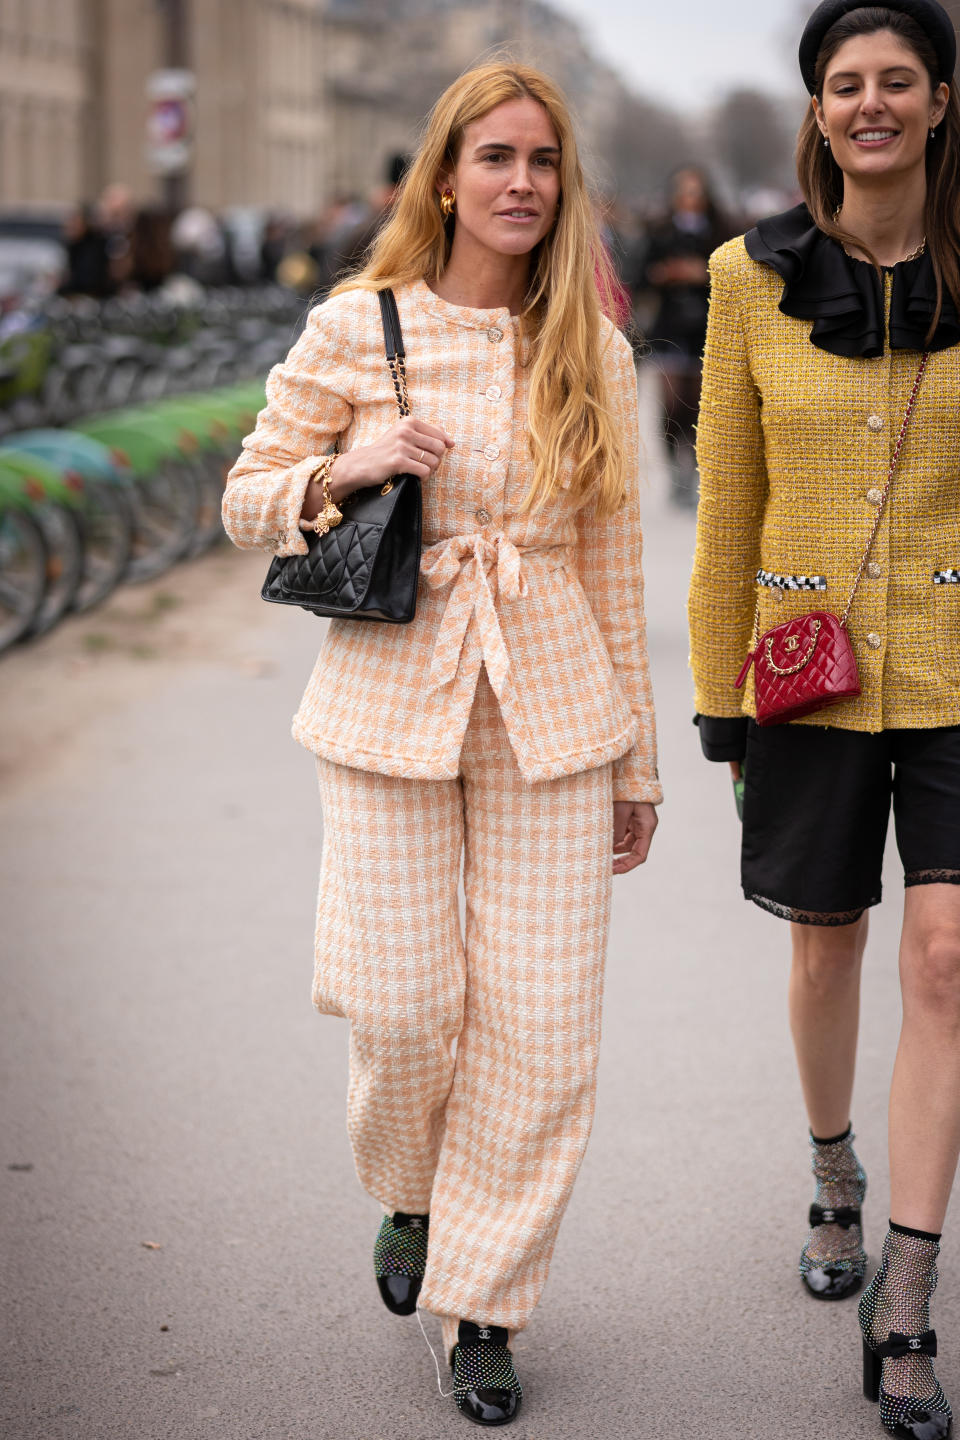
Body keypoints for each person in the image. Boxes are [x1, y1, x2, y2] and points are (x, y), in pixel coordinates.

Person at [222, 61, 661, 1427]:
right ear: (447, 175)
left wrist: (637, 766)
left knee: (543, 1035)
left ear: (562, 181)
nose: (521, 182)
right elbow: (243, 500)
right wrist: (344, 470)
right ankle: (410, 1193)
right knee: (406, 1007)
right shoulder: (359, 326)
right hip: (389, 706)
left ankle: (485, 1303)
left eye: (542, 160)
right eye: (495, 158)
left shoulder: (596, 349)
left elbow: (613, 561)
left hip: (555, 714)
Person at [689, 3, 960, 1437]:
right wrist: (717, 698)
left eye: (896, 81)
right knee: (825, 946)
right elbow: (725, 499)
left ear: (937, 101)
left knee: (947, 956)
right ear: (818, 109)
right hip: (808, 671)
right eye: (845, 83)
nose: (871, 103)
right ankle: (833, 1164)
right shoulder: (749, 277)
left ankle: (906, 1296)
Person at [642, 167, 730, 506]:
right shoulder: (660, 231)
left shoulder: (720, 233)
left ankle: (692, 467)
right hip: (670, 328)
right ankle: (673, 468)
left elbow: (733, 275)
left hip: (706, 329)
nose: (690, 199)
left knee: (697, 405)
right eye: (684, 191)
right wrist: (665, 274)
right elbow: (641, 276)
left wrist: (702, 274)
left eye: (696, 192)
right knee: (671, 403)